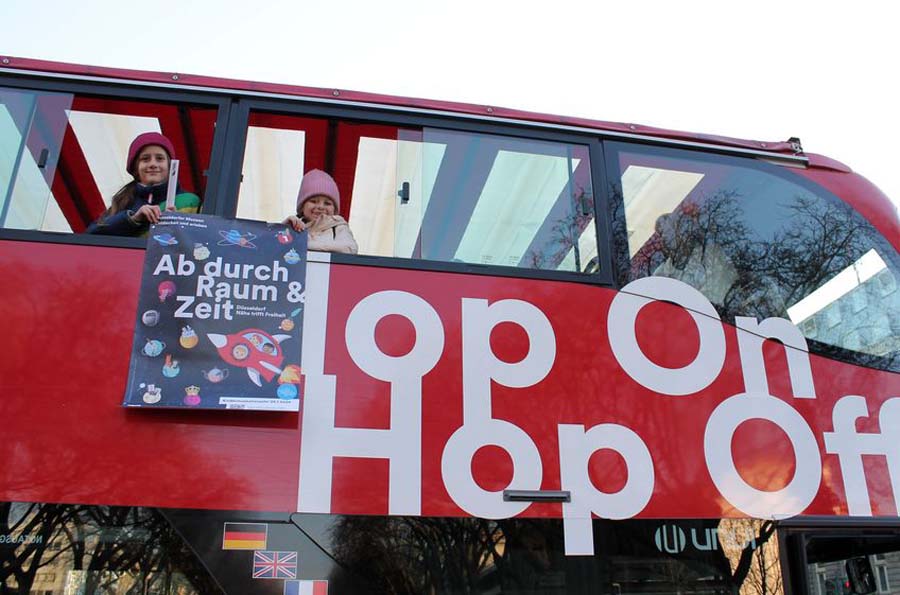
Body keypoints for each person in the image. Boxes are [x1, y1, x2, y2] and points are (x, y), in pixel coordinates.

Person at [86, 132, 200, 235]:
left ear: (171, 166)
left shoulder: (190, 201)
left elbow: (200, 242)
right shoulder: (122, 202)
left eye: (160, 158)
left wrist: (180, 225)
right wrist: (134, 219)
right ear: (136, 168)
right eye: (145, 159)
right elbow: (90, 236)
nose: (153, 164)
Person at [283, 169, 358, 254]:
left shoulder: (338, 226)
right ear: (302, 207)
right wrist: (285, 227)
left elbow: (350, 248)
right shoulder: (296, 226)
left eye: (327, 203)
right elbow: (275, 248)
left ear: (334, 210)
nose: (321, 207)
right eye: (313, 201)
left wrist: (306, 245)